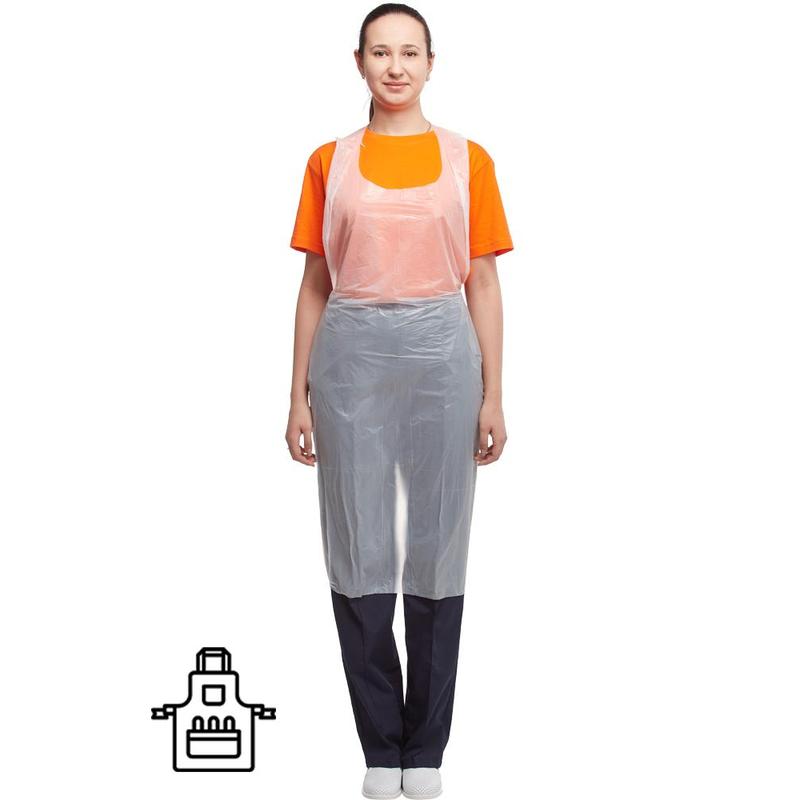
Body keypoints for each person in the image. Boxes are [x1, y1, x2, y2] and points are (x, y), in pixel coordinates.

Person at [286, 4, 512, 798]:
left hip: (445, 359)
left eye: (409, 52)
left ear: (430, 63)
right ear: (359, 62)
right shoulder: (329, 161)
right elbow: (315, 282)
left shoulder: (468, 159)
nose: (395, 66)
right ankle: (382, 748)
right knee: (358, 544)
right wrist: (296, 395)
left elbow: (484, 281)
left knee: (440, 544)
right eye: (381, 52)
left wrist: (494, 393)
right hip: (349, 361)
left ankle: (428, 750)